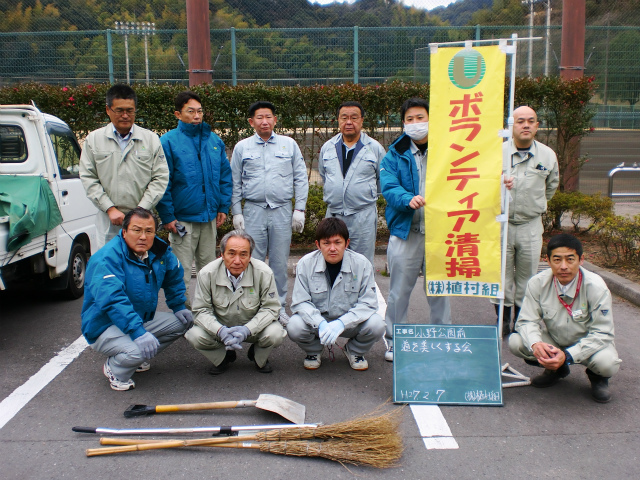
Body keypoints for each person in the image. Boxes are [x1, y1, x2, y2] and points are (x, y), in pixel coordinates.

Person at [81, 207, 192, 391]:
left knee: (182, 323)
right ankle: (116, 369)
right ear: (124, 232)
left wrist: (179, 305)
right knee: (137, 351)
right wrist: (138, 333)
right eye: (137, 230)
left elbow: (173, 277)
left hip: (138, 319)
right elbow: (113, 300)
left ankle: (135, 358)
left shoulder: (159, 251)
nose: (143, 236)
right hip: (104, 325)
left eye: (149, 231)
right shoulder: (106, 258)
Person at [509, 234, 621, 403]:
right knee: (516, 341)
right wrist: (536, 344)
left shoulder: (596, 287)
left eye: (570, 259)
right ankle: (556, 370)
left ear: (581, 260)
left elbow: (603, 334)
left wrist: (567, 356)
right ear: (547, 260)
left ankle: (597, 378)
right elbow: (526, 321)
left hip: (589, 345)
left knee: (607, 363)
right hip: (555, 341)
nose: (563, 266)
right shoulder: (537, 283)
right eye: (557, 260)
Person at [380, 98, 451, 362]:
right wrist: (407, 199)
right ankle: (394, 340)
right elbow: (388, 186)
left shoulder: (447, 150)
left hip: (440, 233)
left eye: (420, 118)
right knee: (398, 291)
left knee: (439, 289)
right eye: (409, 119)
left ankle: (442, 337)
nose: (415, 124)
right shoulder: (394, 153)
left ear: (431, 119)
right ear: (403, 123)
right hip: (405, 230)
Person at [230, 101, 309, 326]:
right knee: (252, 261)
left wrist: (299, 209)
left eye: (268, 117)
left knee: (278, 261)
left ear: (275, 119)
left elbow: (300, 178)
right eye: (259, 117)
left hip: (282, 210)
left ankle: (278, 307)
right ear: (251, 122)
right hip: (253, 210)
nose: (264, 121)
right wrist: (237, 211)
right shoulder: (242, 147)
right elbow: (235, 181)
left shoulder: (289, 144)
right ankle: (252, 307)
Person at [156, 91, 233, 307]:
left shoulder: (213, 140)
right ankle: (182, 312)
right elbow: (162, 182)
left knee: (208, 268)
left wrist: (222, 206)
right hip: (182, 219)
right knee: (179, 269)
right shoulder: (168, 142)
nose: (197, 116)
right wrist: (168, 215)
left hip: (209, 217)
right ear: (178, 114)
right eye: (191, 111)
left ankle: (206, 309)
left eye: (200, 111)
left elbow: (224, 177)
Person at [493, 105, 559, 335]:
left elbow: (551, 187)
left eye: (531, 121)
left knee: (528, 276)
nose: (526, 125)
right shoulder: (496, 153)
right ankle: (502, 322)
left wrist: (535, 205)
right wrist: (497, 185)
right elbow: (480, 187)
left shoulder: (548, 155)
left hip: (530, 224)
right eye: (520, 121)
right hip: (501, 223)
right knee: (500, 275)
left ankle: (522, 323)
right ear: (512, 126)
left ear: (537, 126)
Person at [287, 218, 385, 371]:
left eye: (337, 242)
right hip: (319, 323)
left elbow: (368, 303)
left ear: (347, 243)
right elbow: (300, 302)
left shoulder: (362, 264)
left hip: (351, 322)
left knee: (377, 324)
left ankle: (354, 351)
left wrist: (342, 323)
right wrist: (320, 323)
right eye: (326, 243)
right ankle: (314, 351)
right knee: (294, 325)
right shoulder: (305, 264)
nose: (332, 248)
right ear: (318, 244)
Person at [79, 84, 169, 249]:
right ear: (108, 110)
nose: (125, 115)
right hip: (108, 219)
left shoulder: (150, 139)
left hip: (142, 219)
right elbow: (88, 177)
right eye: (119, 110)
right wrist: (109, 208)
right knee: (108, 267)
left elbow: (160, 177)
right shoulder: (93, 140)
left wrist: (141, 209)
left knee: (141, 268)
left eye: (130, 110)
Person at [185, 230, 286, 375]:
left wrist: (247, 330)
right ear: (222, 254)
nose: (237, 260)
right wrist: (220, 331)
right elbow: (201, 311)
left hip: (252, 329)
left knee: (275, 333)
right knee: (194, 335)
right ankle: (222, 357)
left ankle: (257, 355)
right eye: (231, 253)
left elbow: (271, 308)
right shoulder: (206, 273)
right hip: (221, 328)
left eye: (243, 254)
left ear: (250, 256)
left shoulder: (264, 272)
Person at [317, 101, 386, 265]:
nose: (349, 122)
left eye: (354, 118)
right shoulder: (328, 147)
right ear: (338, 120)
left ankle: (361, 291)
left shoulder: (375, 148)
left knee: (361, 263)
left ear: (362, 120)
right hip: (334, 214)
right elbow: (324, 175)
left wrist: (360, 193)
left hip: (363, 215)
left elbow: (381, 181)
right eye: (344, 118)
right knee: (332, 260)